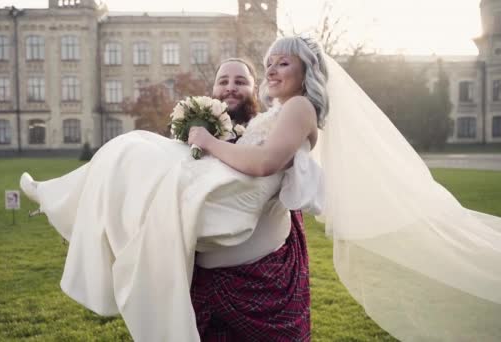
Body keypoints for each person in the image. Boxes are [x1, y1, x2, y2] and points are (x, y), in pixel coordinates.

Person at [20, 36, 326, 341]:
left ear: (307, 71)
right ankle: (75, 206)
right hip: (212, 264)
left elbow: (263, 163)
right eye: (269, 64)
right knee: (137, 149)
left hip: (245, 236)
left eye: (283, 64)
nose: (272, 70)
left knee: (136, 150)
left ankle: (71, 206)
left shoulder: (297, 108)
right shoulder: (281, 111)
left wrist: (208, 142)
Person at [191, 57, 311, 341]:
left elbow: (267, 165)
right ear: (213, 90)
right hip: (203, 283)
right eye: (223, 81)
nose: (230, 88)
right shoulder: (193, 136)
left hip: (266, 280)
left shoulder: (275, 128)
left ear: (256, 89)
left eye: (240, 82)